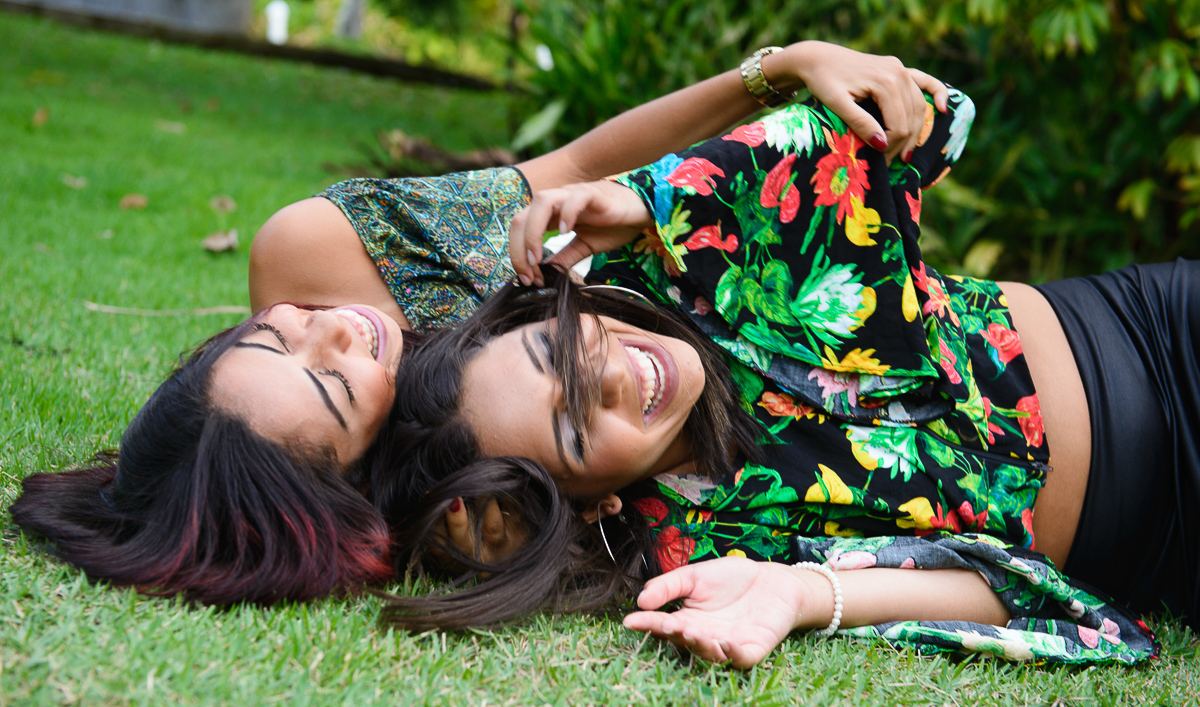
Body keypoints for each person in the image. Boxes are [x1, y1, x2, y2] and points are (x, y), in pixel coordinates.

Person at [11, 43, 945, 605]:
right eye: (333, 383)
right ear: (347, 484)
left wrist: (776, 71)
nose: (335, 332)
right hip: (765, 424)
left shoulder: (320, 259)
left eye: (276, 331)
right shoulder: (454, 507)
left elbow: (571, 159)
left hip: (773, 285)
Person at [370, 80, 1188, 667]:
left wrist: (651, 196)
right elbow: (1019, 591)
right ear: (594, 505)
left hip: (1156, 331)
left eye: (559, 349)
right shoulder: (694, 553)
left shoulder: (681, 265)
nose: (611, 373)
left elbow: (917, 120)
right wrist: (802, 594)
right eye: (577, 423)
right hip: (1168, 544)